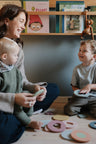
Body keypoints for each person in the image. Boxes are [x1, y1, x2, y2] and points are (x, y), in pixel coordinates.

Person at [0, 4, 59, 144]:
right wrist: (14, 98)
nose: (23, 26)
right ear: (7, 20)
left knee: (52, 89)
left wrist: (35, 89)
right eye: (21, 21)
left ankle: (20, 115)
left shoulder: (18, 48)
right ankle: (22, 118)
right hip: (4, 99)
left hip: (16, 95)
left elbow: (22, 80)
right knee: (4, 133)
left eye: (24, 23)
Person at [0, 37, 43, 129]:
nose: (17, 57)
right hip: (7, 102)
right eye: (15, 55)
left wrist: (34, 88)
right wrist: (14, 98)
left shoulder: (14, 69)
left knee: (29, 95)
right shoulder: (1, 73)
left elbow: (22, 82)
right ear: (4, 56)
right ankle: (28, 122)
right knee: (17, 110)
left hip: (18, 94)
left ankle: (28, 115)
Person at [64, 40, 96, 119]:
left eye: (84, 51)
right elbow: (74, 86)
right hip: (81, 96)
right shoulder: (76, 69)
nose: (80, 52)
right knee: (68, 110)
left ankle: (94, 106)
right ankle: (87, 106)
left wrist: (90, 86)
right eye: (80, 50)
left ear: (94, 56)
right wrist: (78, 92)